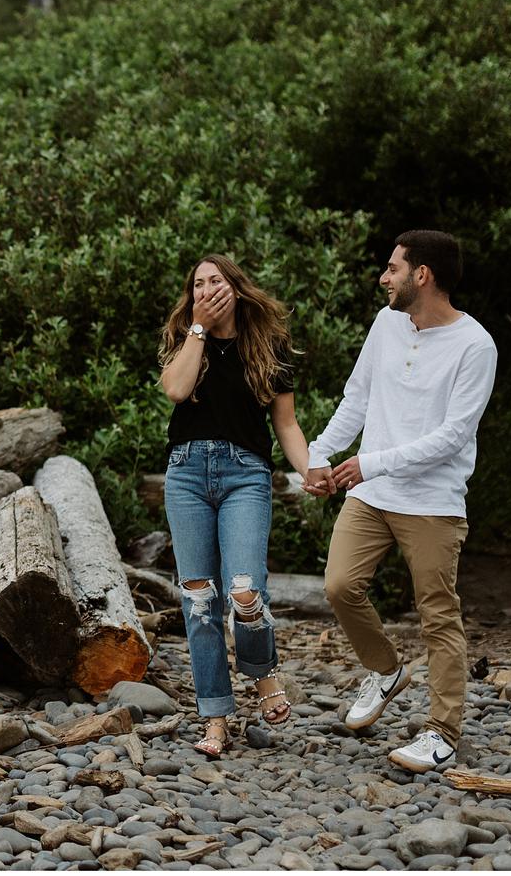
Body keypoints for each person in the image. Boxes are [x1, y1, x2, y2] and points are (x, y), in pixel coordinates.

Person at [304, 229, 497, 773]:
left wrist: (370, 462)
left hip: (433, 501)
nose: (383, 277)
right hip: (373, 493)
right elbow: (357, 398)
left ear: (423, 275)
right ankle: (386, 670)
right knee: (340, 586)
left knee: (438, 614)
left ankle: (442, 732)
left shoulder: (475, 345)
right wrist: (320, 454)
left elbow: (453, 436)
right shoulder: (388, 323)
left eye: (392, 268)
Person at [158, 253, 317, 758]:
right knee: (200, 602)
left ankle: (263, 674)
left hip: (245, 475)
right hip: (185, 475)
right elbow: (176, 389)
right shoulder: (187, 336)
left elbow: (286, 425)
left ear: (236, 287)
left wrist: (310, 469)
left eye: (216, 281)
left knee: (246, 593)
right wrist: (199, 330)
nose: (206, 289)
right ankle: (215, 719)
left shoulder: (268, 345)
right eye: (198, 283)